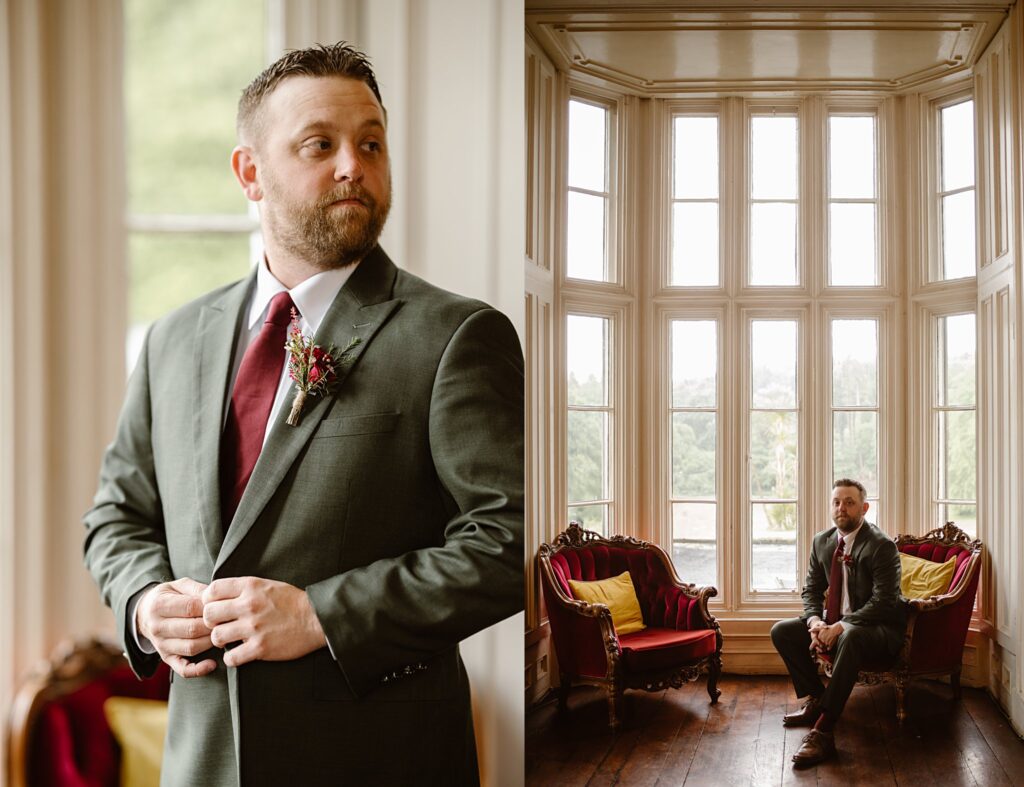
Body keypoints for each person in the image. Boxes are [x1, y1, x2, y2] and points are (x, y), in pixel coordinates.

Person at [83, 42, 523, 786]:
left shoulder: (456, 335)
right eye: (321, 144)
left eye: (372, 143)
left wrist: (323, 614)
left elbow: (510, 542)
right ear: (249, 172)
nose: (354, 164)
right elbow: (116, 517)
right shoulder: (171, 340)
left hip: (381, 761)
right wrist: (146, 601)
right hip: (202, 763)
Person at [770, 478, 905, 767]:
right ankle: (817, 701)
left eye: (849, 502)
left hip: (880, 629)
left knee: (850, 637)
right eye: (836, 502)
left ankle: (824, 729)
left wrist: (841, 627)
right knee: (782, 631)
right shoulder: (822, 541)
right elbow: (811, 590)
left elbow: (885, 601)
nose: (841, 508)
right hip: (834, 623)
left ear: (864, 508)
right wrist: (816, 622)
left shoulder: (881, 546)